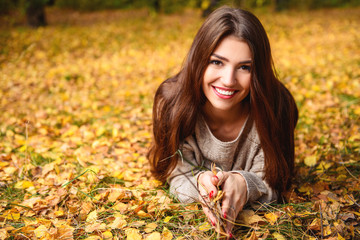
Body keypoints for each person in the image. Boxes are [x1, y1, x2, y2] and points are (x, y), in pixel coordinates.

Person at [148, 6, 298, 238]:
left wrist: (243, 184)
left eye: (245, 67)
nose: (228, 80)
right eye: (217, 62)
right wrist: (201, 185)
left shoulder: (276, 107)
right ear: (199, 60)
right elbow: (175, 174)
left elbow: (275, 181)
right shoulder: (172, 104)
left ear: (258, 71)